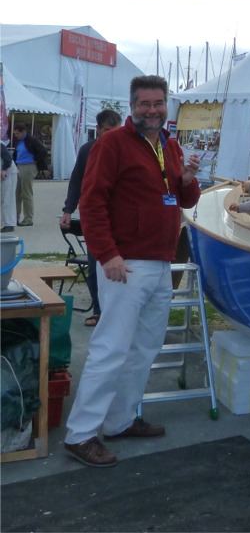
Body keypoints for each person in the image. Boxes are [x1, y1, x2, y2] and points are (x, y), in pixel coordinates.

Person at [63, 75, 201, 467]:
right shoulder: (112, 144)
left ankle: (121, 420)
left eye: (159, 103)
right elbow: (91, 203)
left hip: (160, 262)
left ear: (166, 105)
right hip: (125, 264)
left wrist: (188, 180)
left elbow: (184, 197)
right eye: (145, 104)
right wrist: (107, 255)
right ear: (132, 106)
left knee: (145, 348)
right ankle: (81, 434)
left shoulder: (170, 146)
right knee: (111, 348)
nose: (153, 110)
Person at [60, 109, 123, 326]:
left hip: (121, 221)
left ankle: (117, 312)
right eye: (106, 131)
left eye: (115, 131)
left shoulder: (125, 150)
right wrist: (68, 210)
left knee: (123, 268)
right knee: (96, 267)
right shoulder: (88, 150)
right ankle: (99, 311)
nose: (110, 135)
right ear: (98, 130)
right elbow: (76, 182)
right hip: (97, 220)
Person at [11, 122, 49, 226]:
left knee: (26, 193)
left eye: (17, 133)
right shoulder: (19, 142)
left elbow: (43, 151)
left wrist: (36, 162)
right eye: (15, 134)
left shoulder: (32, 141)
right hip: (19, 166)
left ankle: (28, 218)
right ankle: (14, 217)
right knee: (16, 194)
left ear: (23, 132)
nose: (16, 136)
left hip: (28, 166)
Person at [1, 142, 18, 232]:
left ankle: (9, 223)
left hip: (9, 172)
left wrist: (3, 169)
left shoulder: (0, 145)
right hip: (3, 173)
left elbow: (8, 158)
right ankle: (5, 222)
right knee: (3, 199)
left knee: (8, 198)